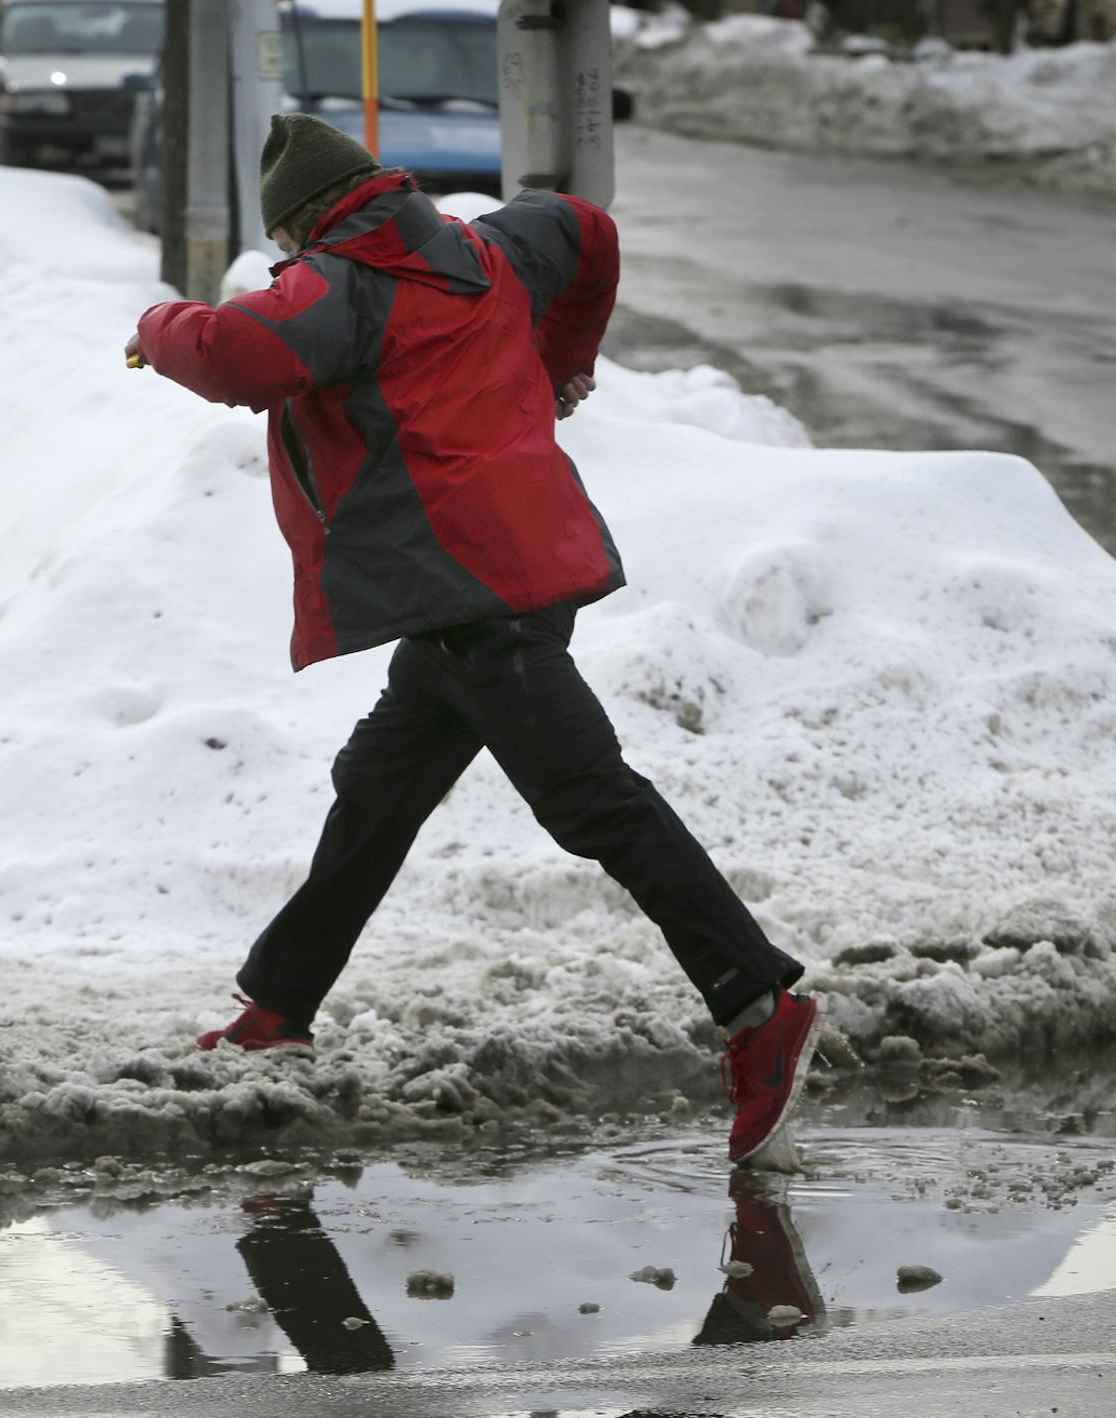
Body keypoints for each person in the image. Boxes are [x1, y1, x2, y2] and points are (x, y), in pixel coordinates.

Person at [124, 113, 818, 1169]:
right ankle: (278, 1004)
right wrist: (562, 356)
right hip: (501, 577)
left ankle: (756, 1004)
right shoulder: (488, 246)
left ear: (307, 226)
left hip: (476, 600)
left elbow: (232, 353)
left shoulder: (336, 287)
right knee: (378, 784)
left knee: (594, 800)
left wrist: (157, 319)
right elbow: (588, 228)